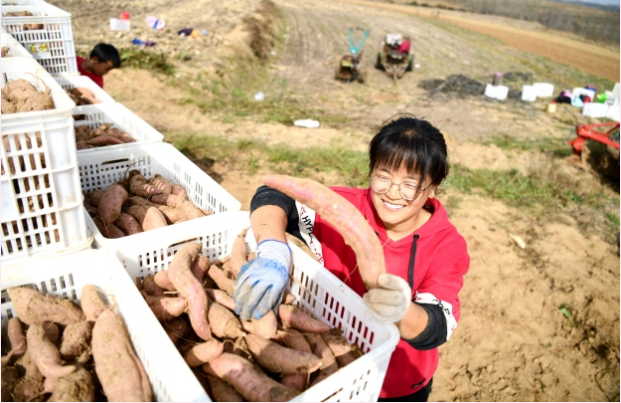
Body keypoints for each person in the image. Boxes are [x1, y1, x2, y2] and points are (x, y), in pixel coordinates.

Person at [233, 114, 470, 401]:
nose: (393, 194)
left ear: (433, 186)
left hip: (396, 385)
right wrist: (273, 249)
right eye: (383, 177)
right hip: (331, 371)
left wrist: (401, 312)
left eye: (410, 184)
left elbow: (438, 326)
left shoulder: (446, 245)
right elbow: (274, 194)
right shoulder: (342, 209)